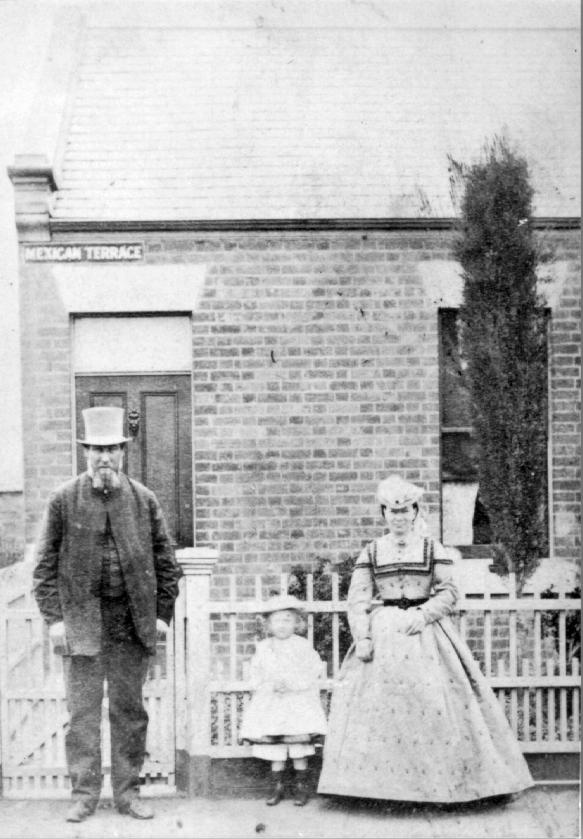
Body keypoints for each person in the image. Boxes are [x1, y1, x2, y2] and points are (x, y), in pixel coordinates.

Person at [317, 474, 533, 804]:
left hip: (426, 633)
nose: (398, 517)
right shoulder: (373, 551)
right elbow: (358, 599)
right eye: (391, 511)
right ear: (383, 515)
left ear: (416, 512)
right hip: (384, 634)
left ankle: (444, 789)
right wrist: (362, 637)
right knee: (382, 710)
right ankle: (379, 792)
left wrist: (423, 615)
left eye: (405, 511)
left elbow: (449, 593)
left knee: (437, 706)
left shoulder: (433, 548)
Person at [33, 406, 182, 823]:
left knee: (129, 713)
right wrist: (56, 621)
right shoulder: (63, 500)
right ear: (85, 453)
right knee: (81, 716)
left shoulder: (144, 499)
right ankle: (83, 795)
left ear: (123, 452)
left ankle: (128, 794)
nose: (103, 458)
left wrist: (161, 615)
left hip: (130, 626)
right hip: (81, 626)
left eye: (111, 450)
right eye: (96, 450)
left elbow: (167, 564)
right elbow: (44, 568)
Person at [239, 594, 328, 806]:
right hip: (273, 702)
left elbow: (313, 670)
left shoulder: (303, 646)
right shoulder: (264, 647)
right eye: (277, 620)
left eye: (288, 620)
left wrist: (293, 683)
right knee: (276, 748)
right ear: (269, 624)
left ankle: (301, 788)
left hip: (297, 702)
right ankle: (277, 788)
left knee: (299, 747)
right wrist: (269, 685)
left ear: (297, 623)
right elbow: (256, 673)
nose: (282, 625)